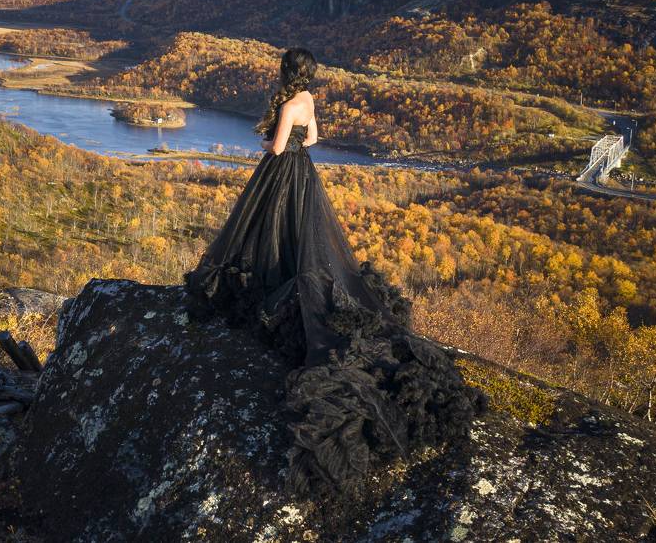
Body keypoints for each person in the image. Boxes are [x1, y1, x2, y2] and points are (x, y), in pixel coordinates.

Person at [183, 47, 482, 498]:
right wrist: (292, 142)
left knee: (264, 229)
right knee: (302, 236)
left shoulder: (288, 103)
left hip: (279, 174)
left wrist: (267, 144)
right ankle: (287, 278)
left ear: (286, 71)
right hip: (304, 175)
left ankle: (271, 282)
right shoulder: (307, 100)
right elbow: (312, 140)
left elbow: (278, 147)